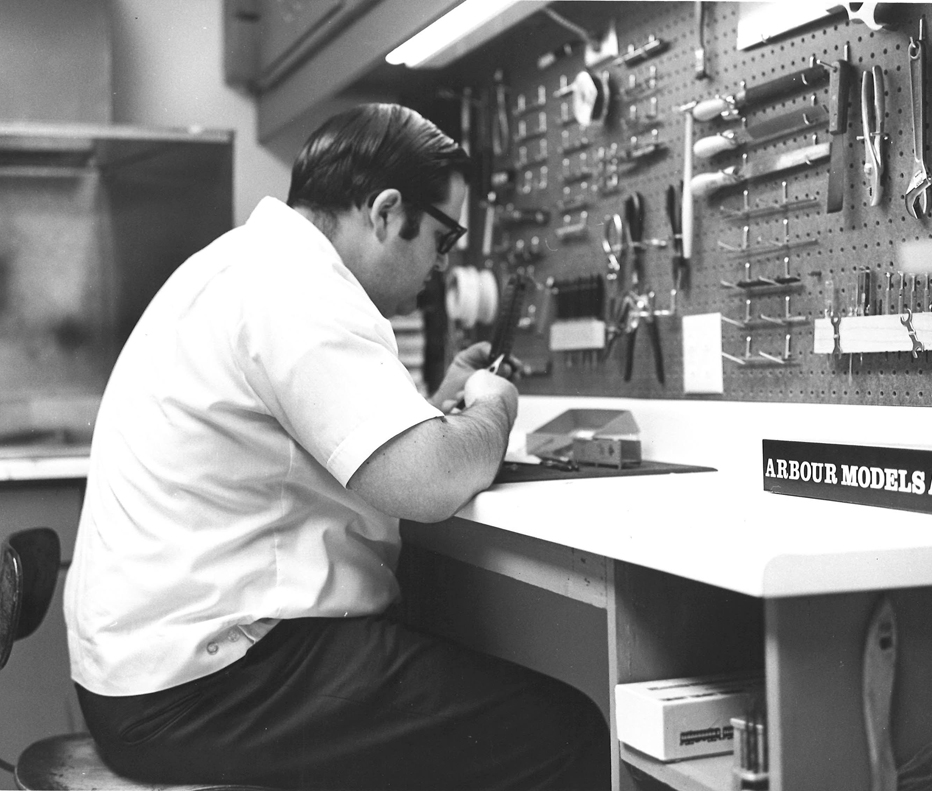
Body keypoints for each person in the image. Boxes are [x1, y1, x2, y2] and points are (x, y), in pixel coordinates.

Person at [63, 103, 609, 790]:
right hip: (202, 685)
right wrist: (494, 410)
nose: (444, 265)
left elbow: (337, 446)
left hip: (154, 674)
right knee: (563, 735)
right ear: (384, 212)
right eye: (444, 239)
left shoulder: (250, 263)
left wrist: (435, 412)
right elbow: (431, 482)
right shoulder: (299, 287)